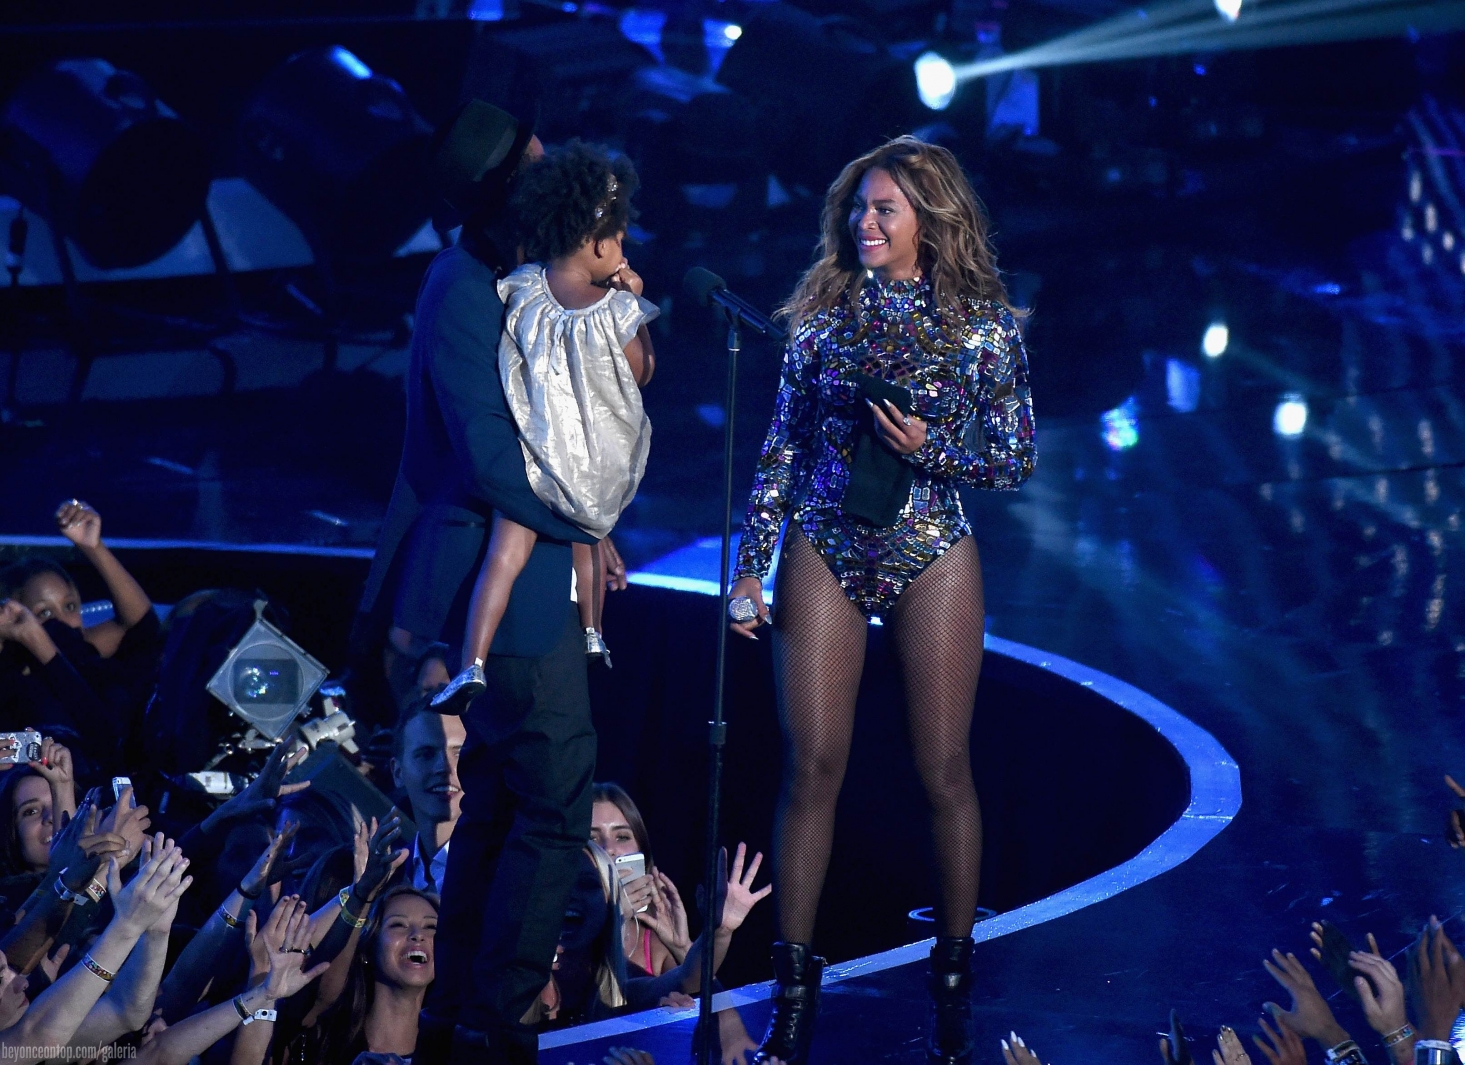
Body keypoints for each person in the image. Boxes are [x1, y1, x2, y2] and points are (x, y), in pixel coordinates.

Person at [726, 136, 1036, 1065]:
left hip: (931, 549)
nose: (865, 222)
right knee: (813, 764)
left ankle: (952, 990)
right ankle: (791, 1001)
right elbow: (781, 447)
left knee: (943, 767)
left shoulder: (982, 328)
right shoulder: (821, 319)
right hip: (824, 544)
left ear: (927, 220)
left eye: (884, 209)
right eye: (858, 207)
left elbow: (1014, 459)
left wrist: (926, 449)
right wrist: (749, 567)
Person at [348, 99, 617, 1065]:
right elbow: (493, 460)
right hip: (496, 582)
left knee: (501, 794)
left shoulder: (519, 275)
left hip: (527, 565)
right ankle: (499, 1020)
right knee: (553, 793)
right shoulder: (462, 289)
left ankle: (461, 1009)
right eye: (535, 165)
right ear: (504, 189)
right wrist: (586, 517)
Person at [432, 139, 656, 713]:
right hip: (586, 454)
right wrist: (631, 301)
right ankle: (593, 632)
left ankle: (472, 663)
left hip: (536, 451)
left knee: (503, 558)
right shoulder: (611, 305)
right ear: (601, 243)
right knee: (586, 538)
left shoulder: (523, 287)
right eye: (620, 240)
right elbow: (641, 369)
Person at [390, 695, 465, 894]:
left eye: (459, 753)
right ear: (397, 772)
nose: (445, 767)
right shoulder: (388, 877)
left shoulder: (508, 863)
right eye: (426, 754)